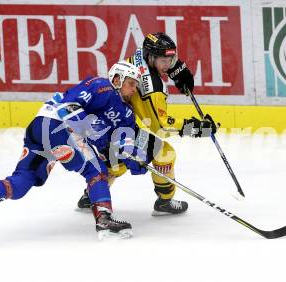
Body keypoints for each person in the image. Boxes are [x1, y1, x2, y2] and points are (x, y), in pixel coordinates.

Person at [0, 61, 148, 239]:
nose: (134, 89)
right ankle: (104, 218)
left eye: (136, 85)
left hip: (39, 128)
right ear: (116, 78)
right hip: (58, 126)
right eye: (131, 83)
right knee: (96, 171)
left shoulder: (126, 113)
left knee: (21, 183)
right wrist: (96, 131)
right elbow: (67, 107)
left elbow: (119, 142)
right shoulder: (102, 86)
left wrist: (133, 160)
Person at [77, 32, 217, 215]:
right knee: (164, 153)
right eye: (164, 61)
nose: (167, 63)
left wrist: (177, 69)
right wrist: (197, 128)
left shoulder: (139, 55)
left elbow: (162, 57)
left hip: (108, 120)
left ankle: (90, 196)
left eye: (171, 59)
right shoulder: (153, 89)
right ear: (151, 57)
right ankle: (164, 202)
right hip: (119, 124)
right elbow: (161, 126)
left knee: (115, 164)